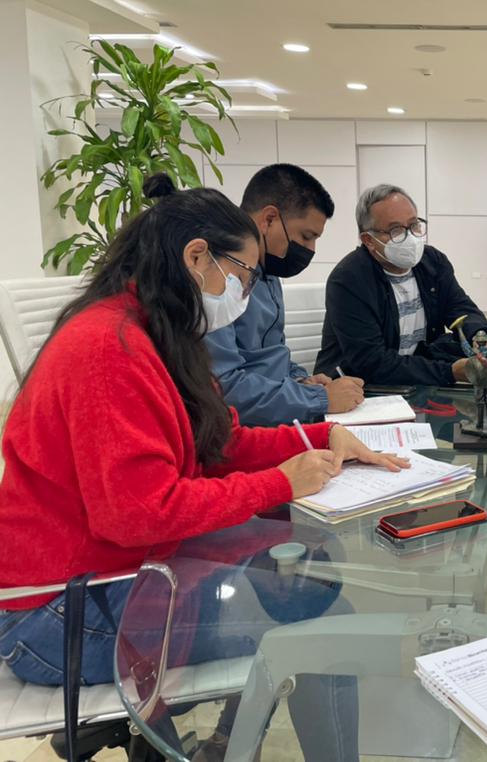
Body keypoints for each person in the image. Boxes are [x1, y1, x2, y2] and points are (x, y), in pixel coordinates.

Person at [0, 175, 408, 760]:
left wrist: (321, 435)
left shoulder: (159, 332)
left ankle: (217, 739)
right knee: (323, 625)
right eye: (243, 276)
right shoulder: (108, 349)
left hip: (122, 572)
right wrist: (279, 482)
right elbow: (138, 514)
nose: (244, 293)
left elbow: (219, 443)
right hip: (62, 614)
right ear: (197, 258)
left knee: (305, 585)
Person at [205, 164, 365, 426]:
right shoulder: (217, 279)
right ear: (269, 219)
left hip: (279, 417)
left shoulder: (270, 272)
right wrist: (319, 399)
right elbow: (225, 389)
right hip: (242, 429)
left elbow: (272, 357)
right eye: (306, 236)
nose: (310, 249)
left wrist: (302, 380)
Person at [315, 184, 487, 386]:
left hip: (420, 380)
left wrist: (481, 337)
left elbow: (460, 308)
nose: (410, 237)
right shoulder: (349, 280)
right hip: (362, 388)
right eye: (396, 230)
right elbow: (372, 363)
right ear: (369, 240)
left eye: (414, 225)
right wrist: (450, 372)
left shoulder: (433, 262)